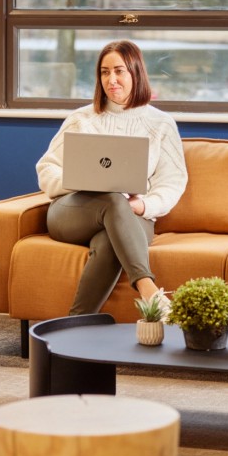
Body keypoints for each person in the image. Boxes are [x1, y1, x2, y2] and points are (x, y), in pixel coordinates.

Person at [36, 40, 188, 316]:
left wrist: (142, 206)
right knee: (111, 197)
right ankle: (148, 289)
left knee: (110, 238)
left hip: (133, 216)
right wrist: (81, 179)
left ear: (136, 72)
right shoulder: (81, 119)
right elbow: (47, 170)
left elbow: (172, 182)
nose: (111, 79)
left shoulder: (161, 124)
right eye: (104, 72)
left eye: (119, 71)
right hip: (74, 213)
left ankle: (75, 328)